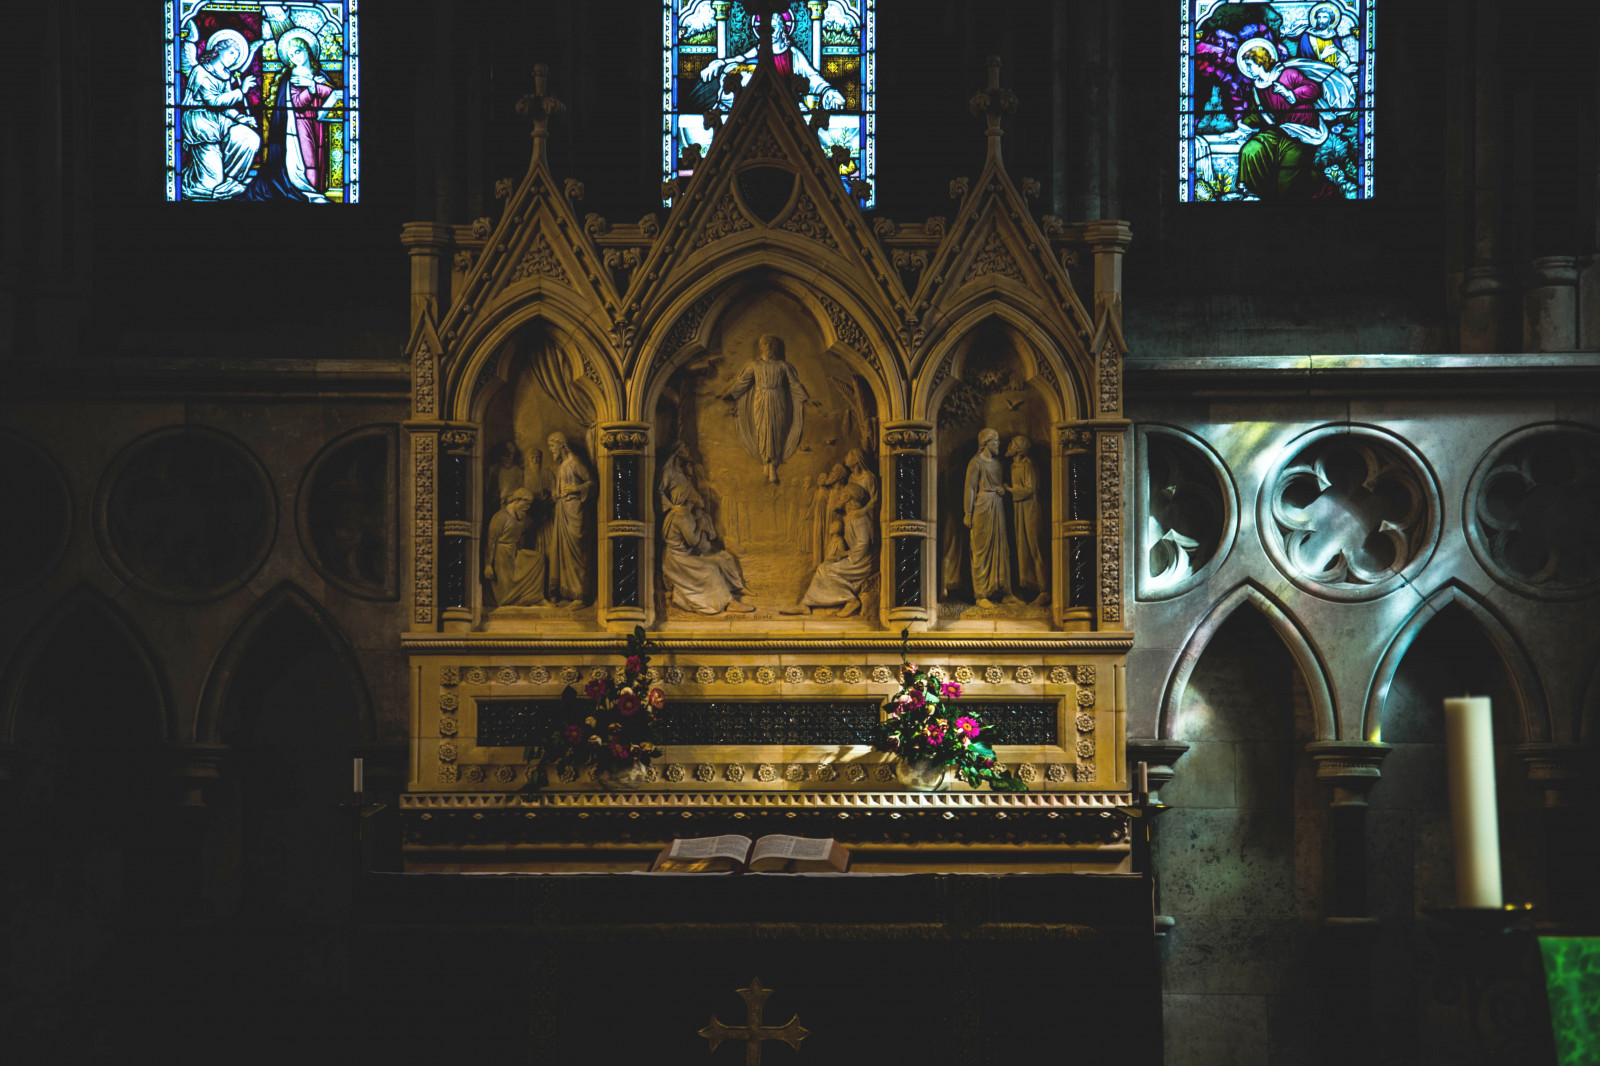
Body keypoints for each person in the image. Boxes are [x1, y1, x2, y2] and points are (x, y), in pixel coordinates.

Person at [1229, 38, 1353, 201]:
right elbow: (1256, 115)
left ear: (1260, 61)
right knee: (1251, 149)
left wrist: (1290, 94)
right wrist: (1240, 130)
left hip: (1303, 129)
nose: (1247, 69)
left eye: (1250, 64)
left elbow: (1314, 89)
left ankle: (1298, 195)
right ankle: (1254, 193)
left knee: (1289, 168)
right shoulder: (1257, 88)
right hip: (1279, 129)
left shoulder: (1288, 74)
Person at [246, 28, 338, 202]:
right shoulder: (292, 78)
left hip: (317, 124)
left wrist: (312, 84)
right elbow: (299, 104)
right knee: (304, 163)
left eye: (298, 51)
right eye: (291, 55)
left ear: (308, 51)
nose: (295, 57)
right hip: (298, 127)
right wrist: (312, 89)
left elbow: (331, 92)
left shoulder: (319, 76)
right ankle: (307, 192)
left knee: (317, 162)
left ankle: (314, 192)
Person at [179, 24, 264, 200]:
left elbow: (224, 106)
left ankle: (231, 181)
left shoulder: (225, 75)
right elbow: (213, 101)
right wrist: (242, 92)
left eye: (238, 55)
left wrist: (241, 117)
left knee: (249, 138)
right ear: (219, 49)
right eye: (232, 52)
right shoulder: (201, 71)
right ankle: (195, 180)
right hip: (201, 123)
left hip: (219, 120)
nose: (235, 58)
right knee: (211, 183)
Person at [699, 11, 846, 112]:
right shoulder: (758, 50)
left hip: (789, 108)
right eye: (767, 28)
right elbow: (740, 59)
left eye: (774, 27)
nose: (770, 31)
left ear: (782, 29)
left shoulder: (794, 54)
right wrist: (718, 64)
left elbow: (812, 77)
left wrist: (828, 92)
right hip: (759, 106)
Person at [724, 335, 815, 484]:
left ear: (776, 348)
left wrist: (807, 398)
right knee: (762, 430)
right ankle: (767, 462)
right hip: (761, 399)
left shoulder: (782, 366)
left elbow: (794, 384)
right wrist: (731, 394)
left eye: (772, 345)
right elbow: (743, 383)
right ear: (761, 347)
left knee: (776, 429)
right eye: (765, 344)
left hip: (777, 399)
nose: (769, 347)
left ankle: (772, 463)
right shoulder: (755, 365)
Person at [781, 483, 876, 617]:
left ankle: (851, 600)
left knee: (825, 570)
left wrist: (846, 555)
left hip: (861, 563)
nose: (839, 496)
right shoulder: (851, 516)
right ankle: (805, 605)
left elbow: (864, 544)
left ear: (848, 497)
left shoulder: (857, 517)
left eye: (842, 494)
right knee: (825, 567)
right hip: (856, 559)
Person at [660, 484, 756, 615]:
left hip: (675, 558)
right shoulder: (682, 514)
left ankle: (734, 590)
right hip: (677, 561)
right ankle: (727, 603)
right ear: (687, 497)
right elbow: (693, 542)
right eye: (692, 492)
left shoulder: (676, 513)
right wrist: (700, 527)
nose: (697, 494)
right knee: (711, 570)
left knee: (718, 562)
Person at [965, 428, 1020, 608]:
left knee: (1001, 549)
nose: (998, 445)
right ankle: (981, 594)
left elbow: (1000, 484)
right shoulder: (975, 462)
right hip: (982, 507)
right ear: (986, 442)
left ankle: (1004, 591)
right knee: (981, 549)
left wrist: (1002, 490)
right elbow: (971, 488)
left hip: (997, 506)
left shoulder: (998, 464)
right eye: (995, 442)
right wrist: (968, 513)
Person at [547, 432, 593, 606]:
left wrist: (575, 489)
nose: (551, 449)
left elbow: (591, 482)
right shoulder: (562, 466)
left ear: (561, 445)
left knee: (576, 551)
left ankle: (579, 595)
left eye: (552, 446)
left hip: (574, 511)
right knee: (561, 551)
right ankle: (564, 592)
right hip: (562, 511)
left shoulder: (574, 462)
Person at [483, 490, 549, 607]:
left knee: (538, 559)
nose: (527, 508)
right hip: (501, 555)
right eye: (526, 504)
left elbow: (533, 524)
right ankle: (512, 600)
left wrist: (546, 507)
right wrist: (488, 565)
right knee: (503, 592)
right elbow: (491, 541)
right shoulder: (500, 517)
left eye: (529, 505)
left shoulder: (522, 517)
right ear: (517, 500)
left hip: (514, 552)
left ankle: (534, 597)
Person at [1007, 435, 1048, 604]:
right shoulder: (1013, 466)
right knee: (1022, 548)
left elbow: (1029, 489)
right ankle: (1027, 588)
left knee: (1034, 547)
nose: (1008, 446)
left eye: (1011, 443)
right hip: (1019, 510)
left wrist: (1009, 490)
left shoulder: (1028, 465)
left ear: (1018, 448)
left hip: (1030, 508)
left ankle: (1044, 589)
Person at [806, 463, 848, 567]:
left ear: (839, 475)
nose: (831, 476)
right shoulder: (831, 490)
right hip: (827, 517)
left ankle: (829, 563)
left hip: (835, 519)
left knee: (832, 539)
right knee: (825, 538)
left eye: (834, 472)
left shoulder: (843, 490)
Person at [487, 441, 524, 509]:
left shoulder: (517, 471)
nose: (510, 457)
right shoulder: (493, 469)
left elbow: (521, 491)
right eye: (508, 453)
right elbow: (488, 491)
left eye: (512, 454)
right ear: (501, 454)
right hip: (495, 505)